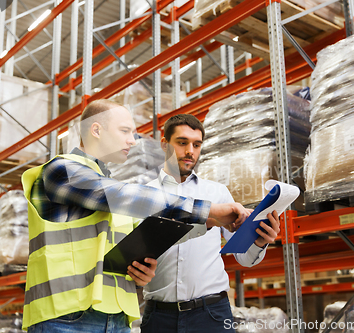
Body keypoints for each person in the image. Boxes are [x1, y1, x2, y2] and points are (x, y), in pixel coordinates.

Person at [21, 100, 252, 333]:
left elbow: (153, 232)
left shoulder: (111, 191)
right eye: (125, 131)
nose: (132, 140)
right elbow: (125, 197)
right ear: (96, 130)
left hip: (116, 319)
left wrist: (141, 271)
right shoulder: (62, 171)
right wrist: (208, 211)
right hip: (65, 319)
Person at [141, 114, 281, 333]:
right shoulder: (145, 194)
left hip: (211, 315)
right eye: (182, 142)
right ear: (164, 144)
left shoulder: (216, 192)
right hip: (159, 317)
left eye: (196, 145)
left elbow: (244, 257)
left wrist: (259, 242)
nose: (190, 151)